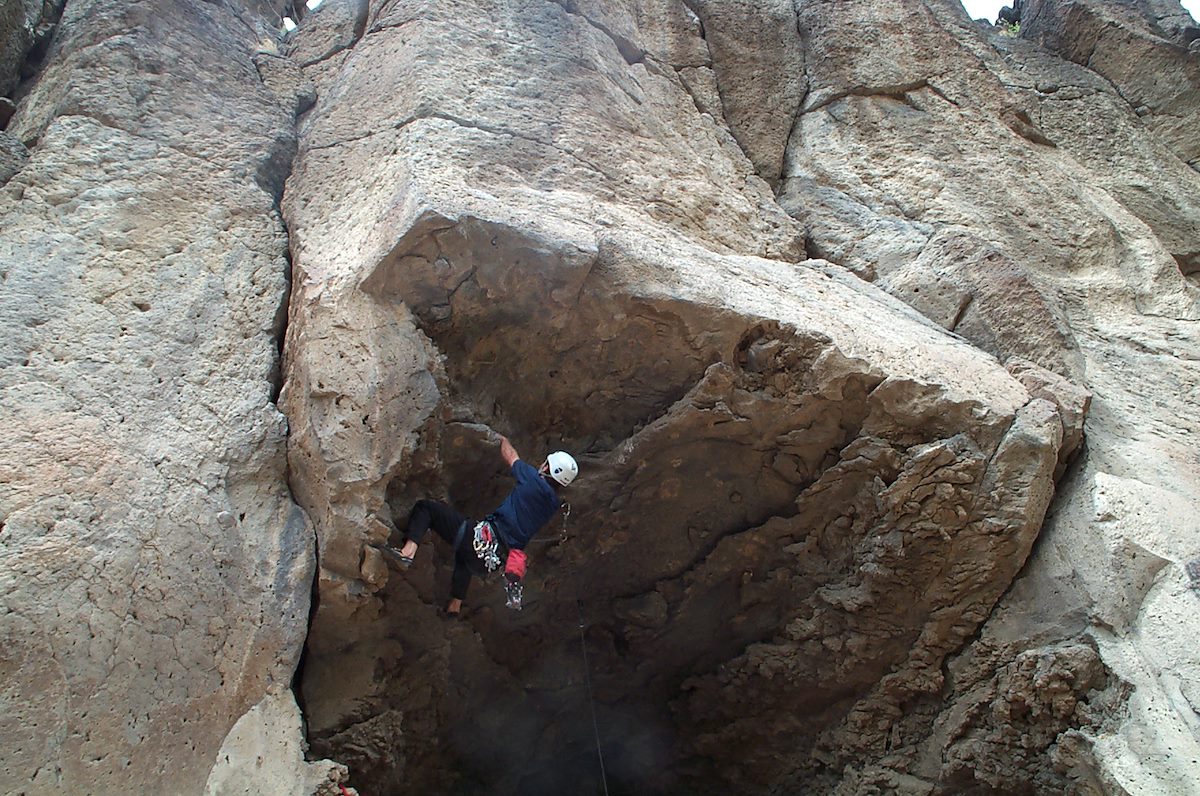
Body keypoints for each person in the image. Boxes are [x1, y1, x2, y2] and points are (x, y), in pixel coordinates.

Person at [379, 434, 578, 614]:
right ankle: (455, 605)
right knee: (465, 560)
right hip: (493, 562)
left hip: (479, 540)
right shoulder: (552, 505)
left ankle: (407, 552)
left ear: (548, 468)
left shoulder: (533, 480)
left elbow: (511, 457)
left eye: (545, 463)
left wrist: (502, 439)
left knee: (426, 508)